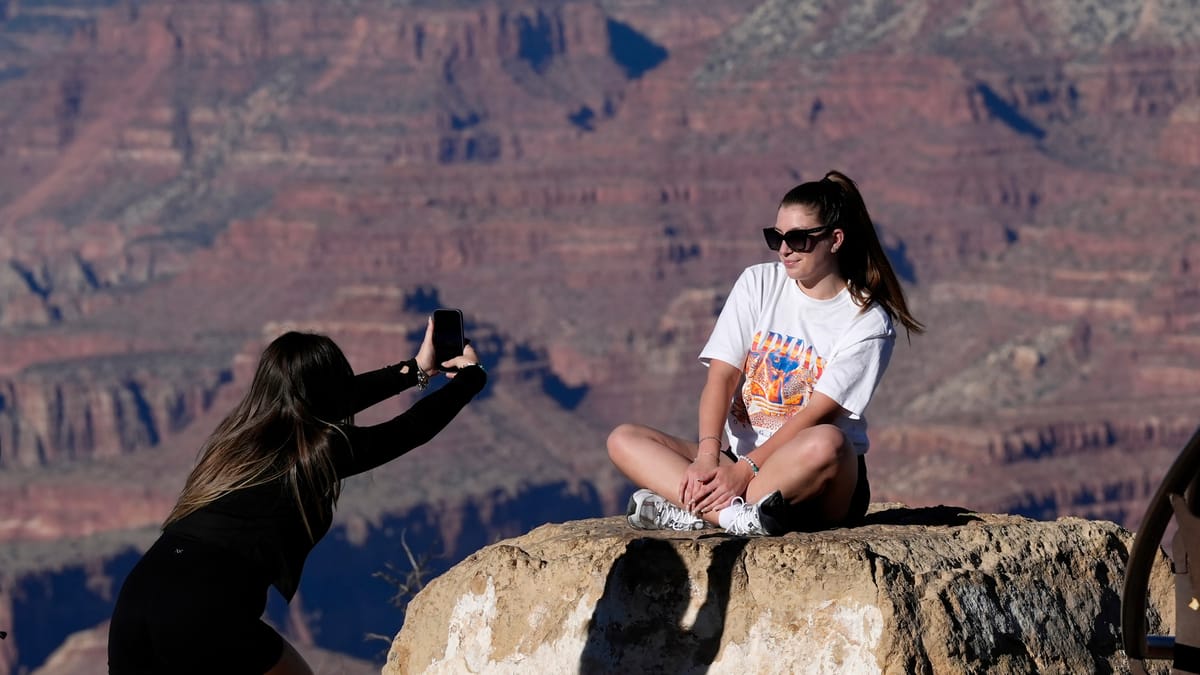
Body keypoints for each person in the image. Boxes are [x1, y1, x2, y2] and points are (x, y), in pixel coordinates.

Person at [108, 318, 486, 674]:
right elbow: (408, 430)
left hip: (136, 600)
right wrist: (469, 379)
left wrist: (415, 369)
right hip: (202, 607)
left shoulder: (236, 437)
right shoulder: (315, 450)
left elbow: (331, 399)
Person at [607, 170, 922, 536]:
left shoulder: (867, 321)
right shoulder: (759, 283)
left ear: (835, 240)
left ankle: (693, 509)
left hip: (816, 479)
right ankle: (731, 517)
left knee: (828, 442)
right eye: (776, 237)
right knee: (624, 439)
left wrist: (743, 472)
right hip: (737, 463)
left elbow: (816, 414)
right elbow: (722, 377)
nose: (784, 249)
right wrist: (708, 458)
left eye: (798, 239)